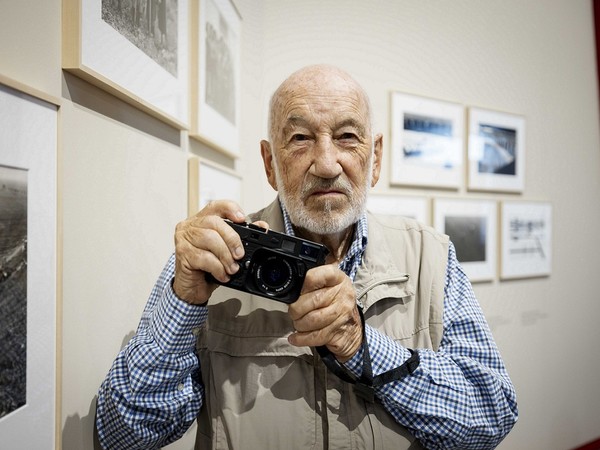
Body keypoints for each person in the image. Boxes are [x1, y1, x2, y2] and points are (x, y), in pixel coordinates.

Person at [96, 64, 518, 450]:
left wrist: (361, 346)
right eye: (299, 138)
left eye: (347, 137)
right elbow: (123, 436)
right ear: (269, 161)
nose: (326, 163)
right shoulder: (213, 260)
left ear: (375, 159)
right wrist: (183, 301)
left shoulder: (432, 255)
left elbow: (492, 413)